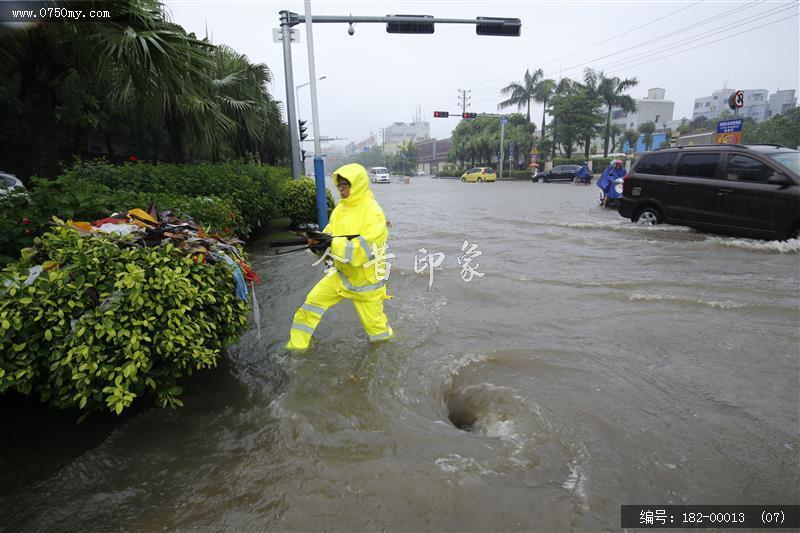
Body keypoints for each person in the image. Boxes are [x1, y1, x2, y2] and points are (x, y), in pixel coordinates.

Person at [286, 163, 393, 350]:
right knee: (311, 304)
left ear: (357, 184)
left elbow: (365, 250)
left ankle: (386, 354)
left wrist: (331, 244)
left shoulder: (374, 213)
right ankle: (295, 346)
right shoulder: (340, 209)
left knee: (378, 333)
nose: (341, 189)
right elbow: (329, 235)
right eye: (340, 185)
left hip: (366, 282)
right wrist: (317, 242)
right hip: (340, 276)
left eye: (346, 184)